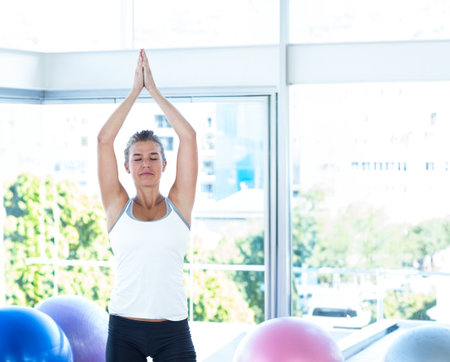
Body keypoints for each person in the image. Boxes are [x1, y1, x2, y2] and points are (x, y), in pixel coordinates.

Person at [97, 49, 197, 361]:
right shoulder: (117, 206)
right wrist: (133, 93)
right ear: (126, 167)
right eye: (137, 158)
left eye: (154, 156)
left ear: (165, 163)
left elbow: (189, 137)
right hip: (124, 329)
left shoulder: (180, 204)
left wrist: (152, 91)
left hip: (173, 330)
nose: (146, 163)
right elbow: (103, 140)